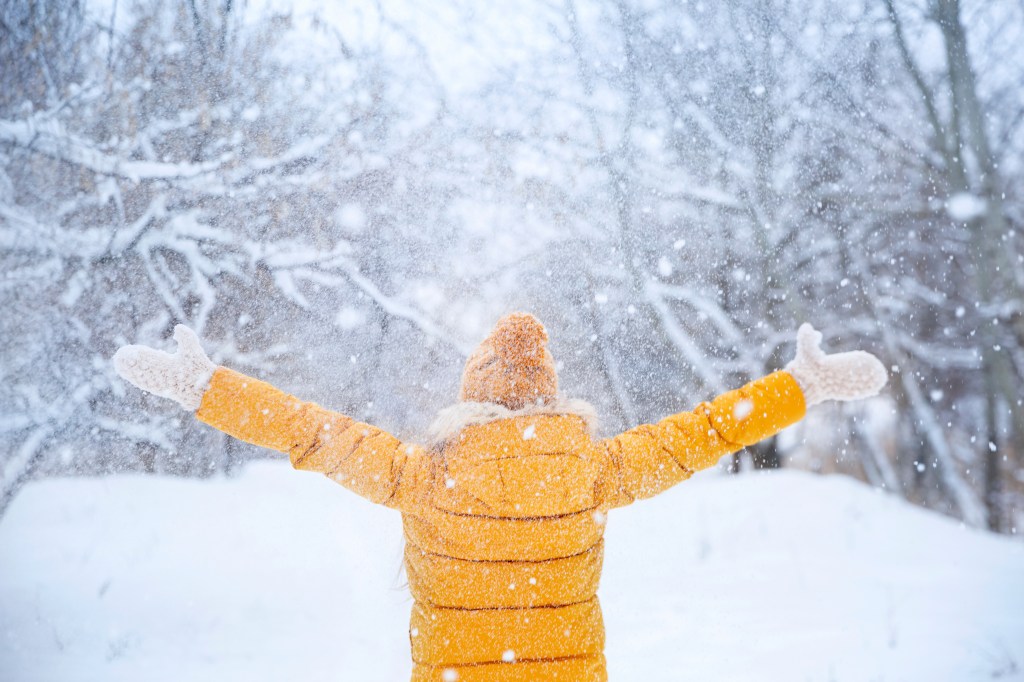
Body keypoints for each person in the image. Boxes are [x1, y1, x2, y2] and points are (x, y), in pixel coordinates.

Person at [114, 312, 886, 681]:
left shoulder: (422, 473)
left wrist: (207, 389)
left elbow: (308, 431)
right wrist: (799, 388)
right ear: (551, 399)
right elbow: (703, 434)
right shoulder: (593, 468)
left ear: (469, 403)